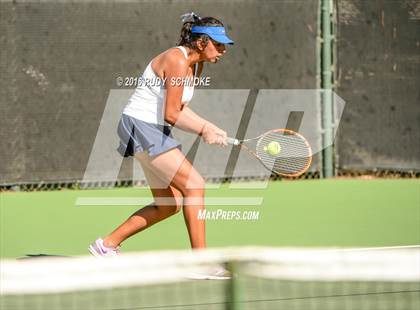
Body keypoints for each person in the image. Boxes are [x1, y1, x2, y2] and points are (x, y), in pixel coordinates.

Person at [89, 13, 234, 260]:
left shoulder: (195, 65)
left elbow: (180, 108)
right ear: (201, 42)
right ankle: (201, 263)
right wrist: (203, 130)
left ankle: (107, 245)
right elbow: (170, 114)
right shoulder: (176, 60)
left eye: (224, 45)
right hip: (141, 126)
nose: (223, 50)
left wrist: (208, 126)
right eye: (218, 44)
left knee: (169, 205)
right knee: (195, 185)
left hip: (148, 128)